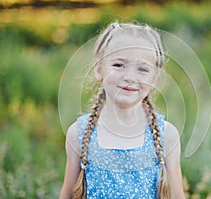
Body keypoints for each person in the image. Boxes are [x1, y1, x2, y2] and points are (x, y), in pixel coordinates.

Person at [59, 21, 185, 199]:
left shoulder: (167, 135)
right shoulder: (78, 134)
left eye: (142, 69)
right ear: (99, 69)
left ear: (155, 78)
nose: (130, 77)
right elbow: (67, 195)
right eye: (118, 65)